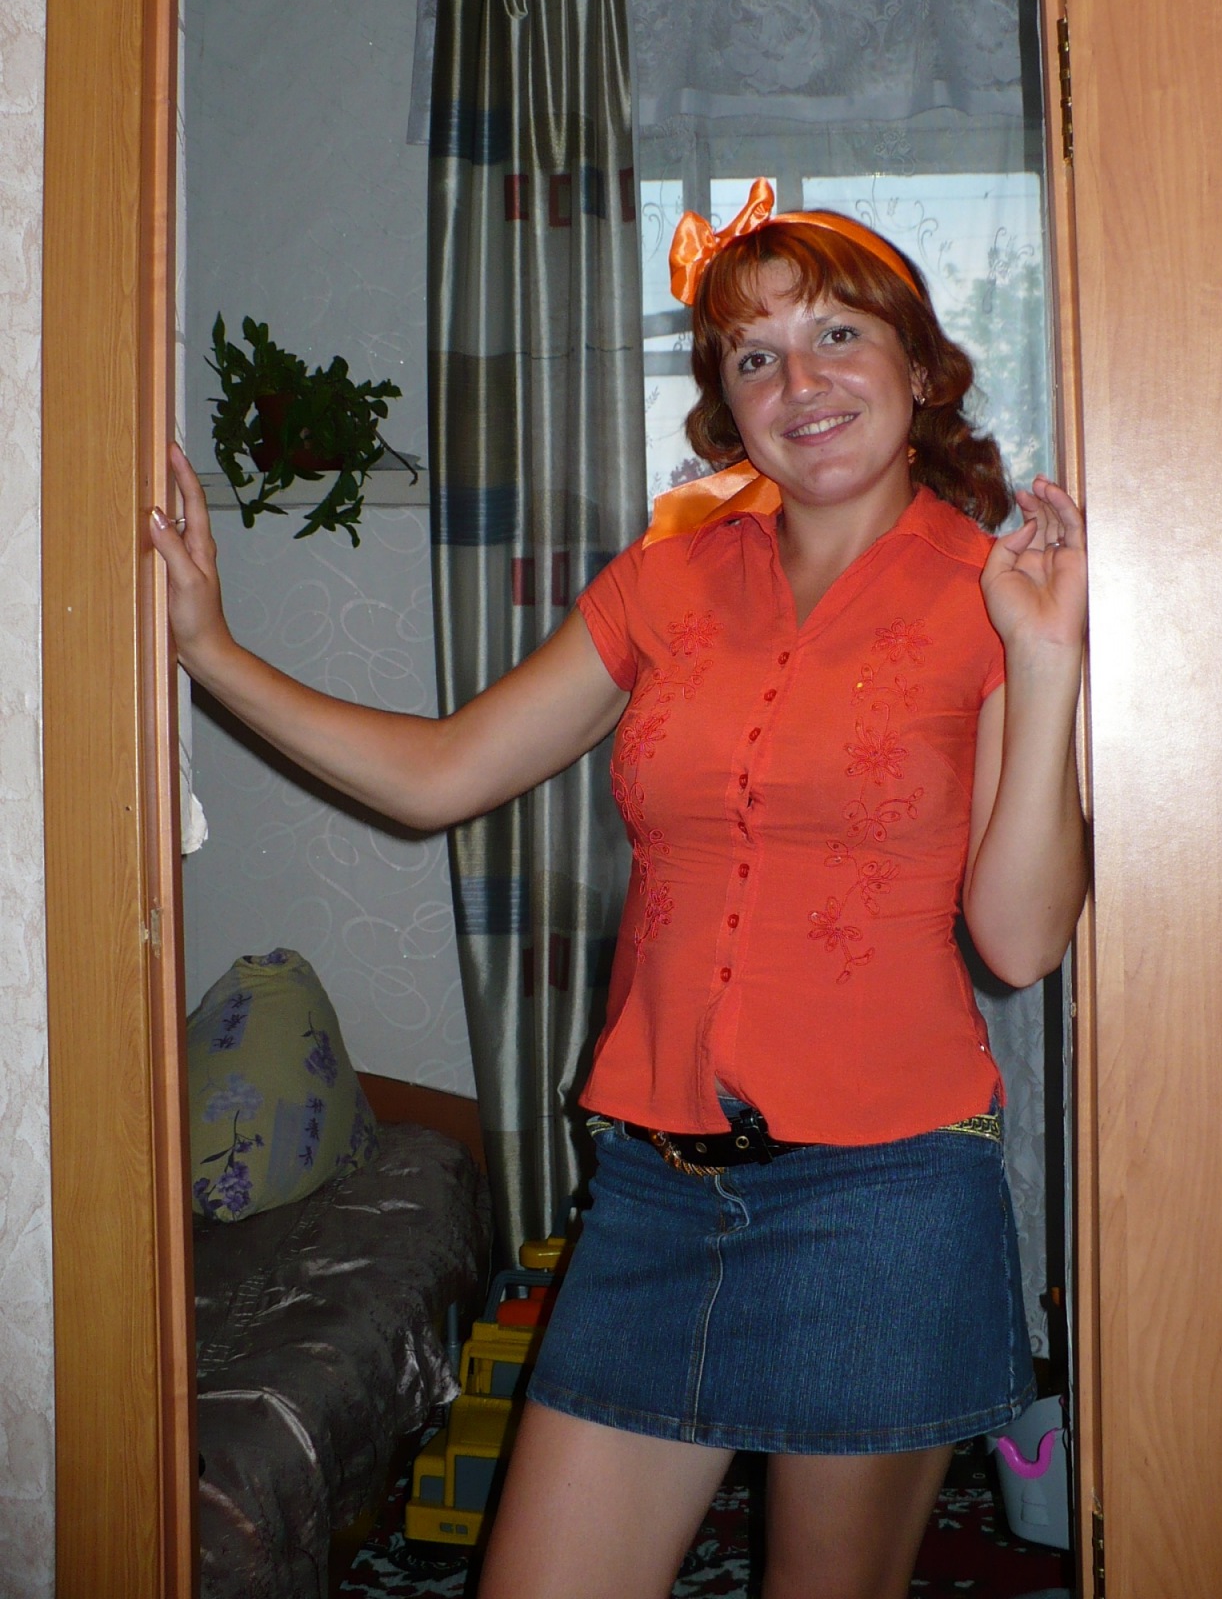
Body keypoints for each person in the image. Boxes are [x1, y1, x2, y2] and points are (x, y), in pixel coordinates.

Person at [153, 177, 1088, 1599]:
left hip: (886, 1200)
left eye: (838, 336)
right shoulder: (665, 583)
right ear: (727, 405)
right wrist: (210, 650)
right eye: (755, 356)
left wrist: (1051, 657)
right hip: (656, 1191)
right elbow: (439, 774)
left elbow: (1018, 941)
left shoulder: (992, 594)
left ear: (920, 367)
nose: (801, 383)